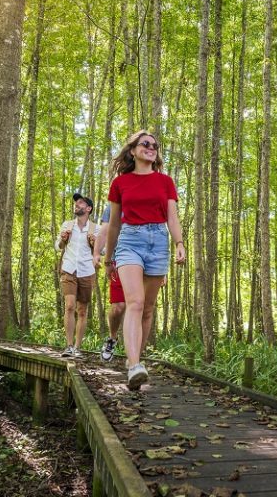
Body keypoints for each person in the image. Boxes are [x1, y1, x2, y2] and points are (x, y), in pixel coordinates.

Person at [105, 131, 185, 390]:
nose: (151, 148)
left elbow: (172, 217)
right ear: (133, 151)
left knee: (148, 309)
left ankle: (135, 365)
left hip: (159, 241)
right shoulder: (120, 183)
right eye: (145, 144)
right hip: (130, 241)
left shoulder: (165, 182)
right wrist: (109, 257)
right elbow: (114, 223)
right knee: (135, 303)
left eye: (155, 145)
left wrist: (179, 244)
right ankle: (134, 364)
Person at [93, 203, 167, 362]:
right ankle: (112, 338)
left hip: (148, 264)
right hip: (121, 261)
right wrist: (97, 254)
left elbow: (159, 236)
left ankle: (135, 360)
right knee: (118, 307)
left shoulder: (153, 202)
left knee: (144, 308)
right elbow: (104, 232)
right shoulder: (114, 205)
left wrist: (162, 270)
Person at [55, 193, 98, 357]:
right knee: (70, 306)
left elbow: (102, 251)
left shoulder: (96, 228)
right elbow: (58, 246)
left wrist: (94, 242)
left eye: (81, 203)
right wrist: (62, 239)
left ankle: (78, 349)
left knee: (82, 310)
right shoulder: (67, 224)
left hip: (87, 272)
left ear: (88, 209)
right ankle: (69, 346)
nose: (77, 205)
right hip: (69, 269)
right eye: (76, 203)